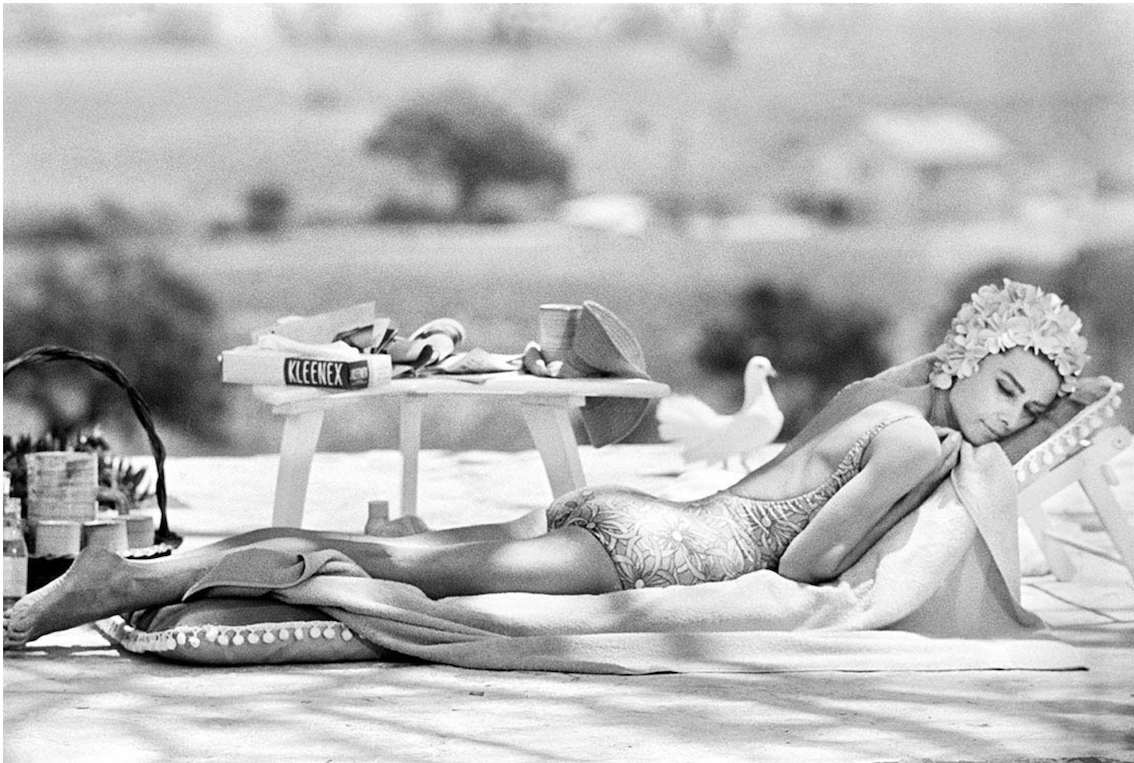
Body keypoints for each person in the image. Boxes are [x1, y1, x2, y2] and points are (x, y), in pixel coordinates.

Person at [3, 279, 1090, 648]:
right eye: (1008, 391)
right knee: (394, 559)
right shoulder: (917, 436)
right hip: (664, 551)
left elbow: (965, 371)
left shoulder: (891, 390)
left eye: (1031, 412)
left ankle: (148, 575)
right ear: (967, 358)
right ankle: (135, 578)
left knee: (401, 553)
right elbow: (811, 554)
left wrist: (1050, 403)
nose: (1007, 423)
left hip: (647, 511)